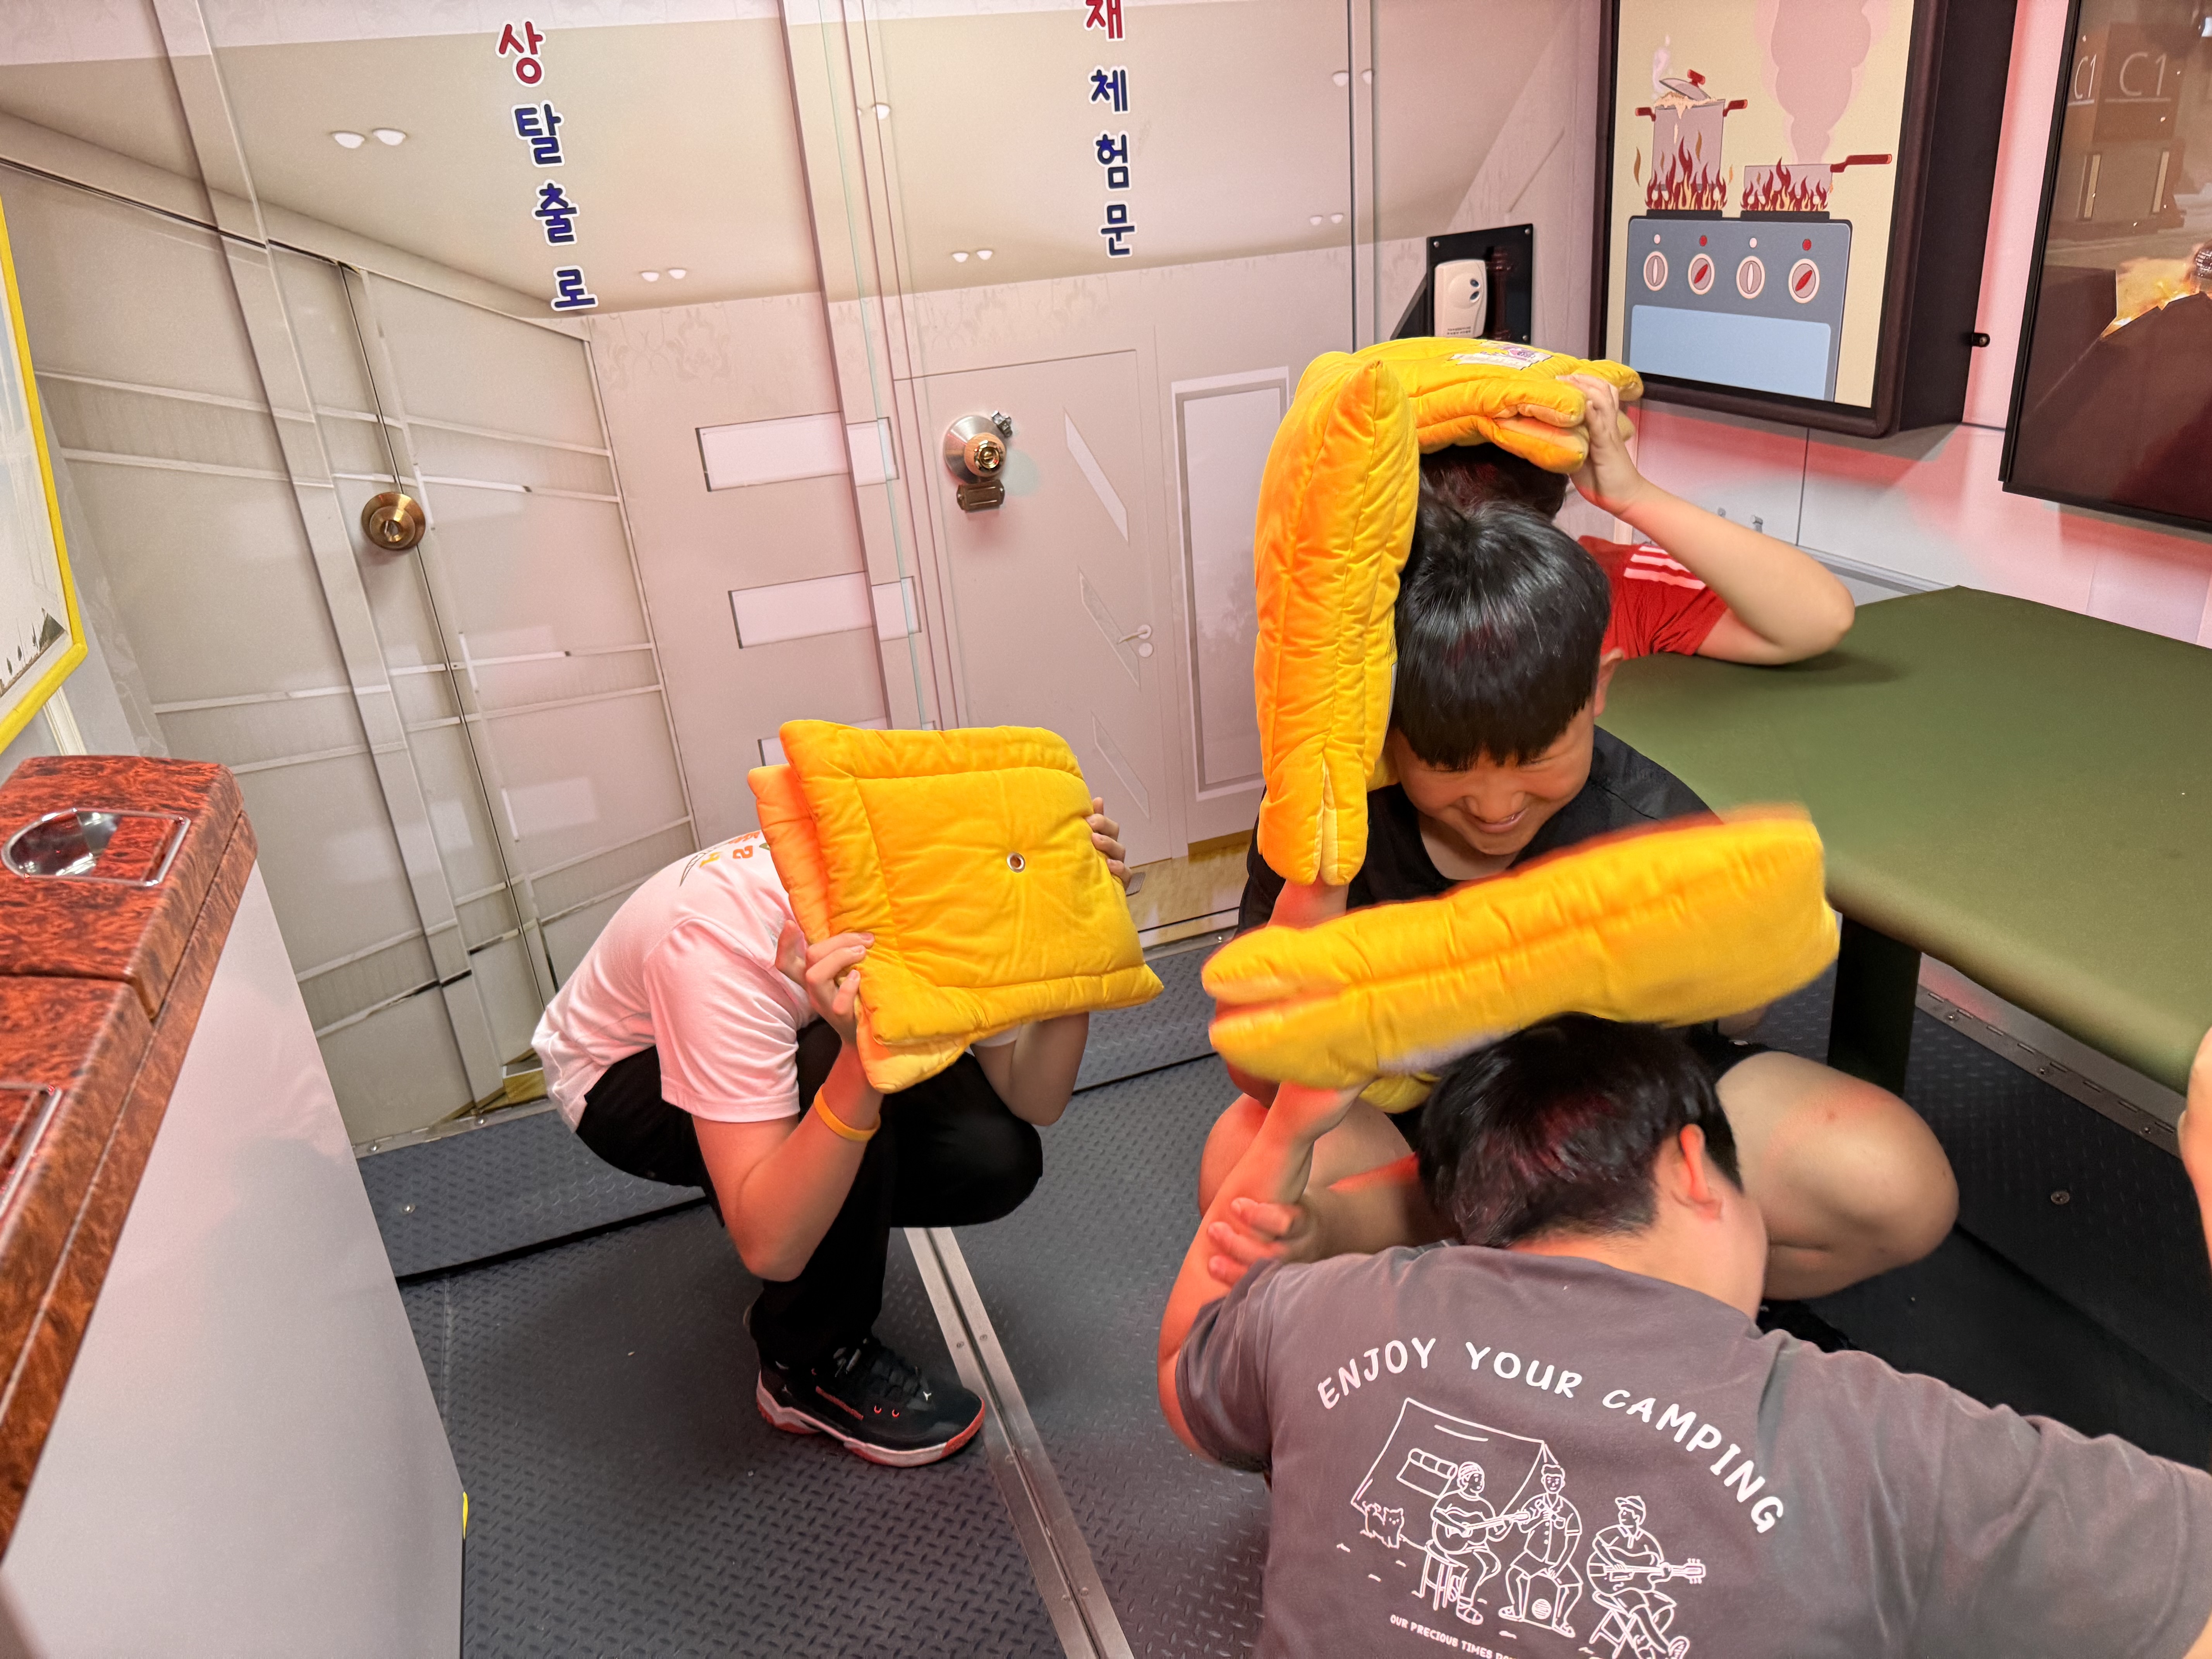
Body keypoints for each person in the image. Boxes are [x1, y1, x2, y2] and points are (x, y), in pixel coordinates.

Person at [1158, 1017, 2212, 1658]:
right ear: (1694, 1166)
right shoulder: (1875, 1446)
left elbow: (1183, 1372)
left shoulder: (1323, 1314)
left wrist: (1289, 1132)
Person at [1210, 419, 1956, 1308]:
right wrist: (1322, 956)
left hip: (1607, 1116)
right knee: (1242, 1171)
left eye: (1537, 757)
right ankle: (1486, 1283)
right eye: (1448, 767)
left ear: (1598, 690)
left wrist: (1718, 958)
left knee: (1896, 1185)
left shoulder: (1651, 824)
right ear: (1383, 726)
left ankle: (1606, 1301)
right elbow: (1256, 1063)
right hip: (1411, 1129)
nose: (1495, 805)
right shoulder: (1330, 826)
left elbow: (1739, 1013)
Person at [532, 797, 1130, 1467]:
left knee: (991, 1155)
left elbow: (1032, 1098)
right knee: (832, 1076)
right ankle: (806, 1364)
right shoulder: (725, 943)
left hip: (787, 1018)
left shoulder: (957, 889)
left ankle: (806, 1174)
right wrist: (860, 1062)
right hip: (618, 1075)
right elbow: (770, 1247)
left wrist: (1079, 944)